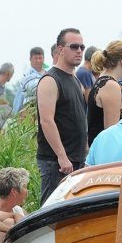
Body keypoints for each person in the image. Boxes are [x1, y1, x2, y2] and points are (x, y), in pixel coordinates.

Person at [36, 28, 88, 205]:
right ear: (60, 49)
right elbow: (46, 121)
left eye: (82, 46)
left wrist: (85, 148)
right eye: (74, 46)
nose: (79, 51)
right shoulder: (50, 80)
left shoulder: (74, 80)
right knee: (51, 209)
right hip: (56, 162)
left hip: (76, 159)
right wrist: (62, 156)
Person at [86, 41, 122, 147]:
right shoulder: (111, 86)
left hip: (99, 149)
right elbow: (111, 133)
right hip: (104, 153)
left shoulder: (103, 81)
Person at [12, 46, 47, 116]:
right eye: (35, 58)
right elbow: (20, 97)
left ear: (43, 59)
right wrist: (16, 114)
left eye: (40, 58)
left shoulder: (48, 74)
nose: (38, 61)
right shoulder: (27, 77)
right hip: (30, 111)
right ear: (30, 59)